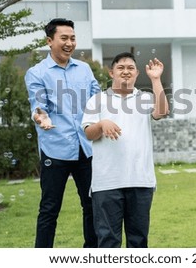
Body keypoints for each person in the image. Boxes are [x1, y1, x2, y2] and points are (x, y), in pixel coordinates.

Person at [25, 18, 100, 248]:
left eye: (73, 38)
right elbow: (38, 105)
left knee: (92, 205)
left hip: (85, 148)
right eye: (64, 38)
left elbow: (98, 100)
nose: (70, 43)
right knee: (49, 208)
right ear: (50, 41)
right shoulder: (37, 72)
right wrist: (42, 118)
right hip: (54, 149)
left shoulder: (85, 70)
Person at [82, 52, 169, 248]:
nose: (126, 71)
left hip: (140, 180)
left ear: (137, 74)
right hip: (106, 183)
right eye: (121, 68)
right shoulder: (97, 100)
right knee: (108, 242)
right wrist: (102, 123)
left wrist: (156, 79)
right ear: (111, 73)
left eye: (130, 68)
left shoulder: (145, 98)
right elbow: (89, 134)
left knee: (138, 241)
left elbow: (162, 112)